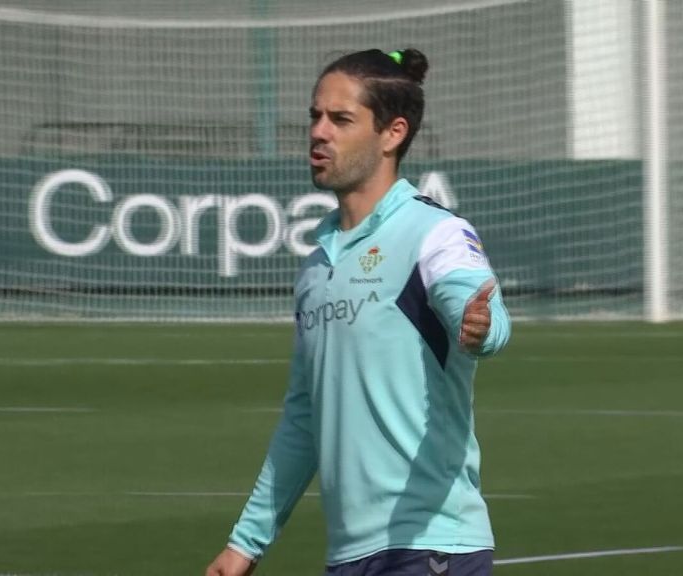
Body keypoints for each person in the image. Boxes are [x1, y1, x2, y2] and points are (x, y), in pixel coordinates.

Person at [206, 48, 510, 576]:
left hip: (431, 545)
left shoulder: (433, 233)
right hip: (352, 557)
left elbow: (483, 310)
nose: (319, 132)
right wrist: (244, 544)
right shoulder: (318, 264)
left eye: (340, 119)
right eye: (314, 116)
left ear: (392, 133)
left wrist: (480, 328)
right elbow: (304, 419)